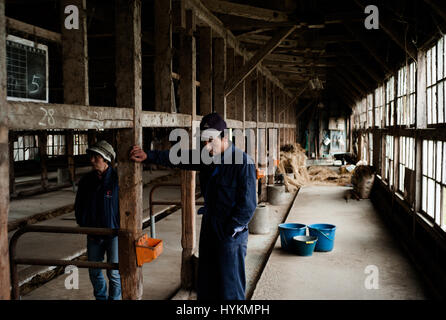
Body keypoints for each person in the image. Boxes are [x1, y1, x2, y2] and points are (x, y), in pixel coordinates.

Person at [130, 113, 257, 300]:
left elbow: (248, 205)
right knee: (205, 283)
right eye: (204, 141)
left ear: (224, 137)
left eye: (211, 141)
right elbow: (179, 157)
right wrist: (149, 155)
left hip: (230, 233)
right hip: (209, 227)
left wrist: (230, 231)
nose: (206, 146)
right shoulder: (206, 156)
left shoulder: (243, 163)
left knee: (230, 287)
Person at [75, 140, 121, 300]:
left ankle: (114, 299)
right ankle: (101, 298)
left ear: (106, 158)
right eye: (92, 156)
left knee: (114, 272)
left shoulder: (117, 180)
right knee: (94, 270)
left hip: (113, 233)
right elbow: (79, 204)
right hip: (93, 233)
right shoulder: (86, 181)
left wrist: (119, 225)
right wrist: (83, 222)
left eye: (96, 157)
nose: (92, 160)